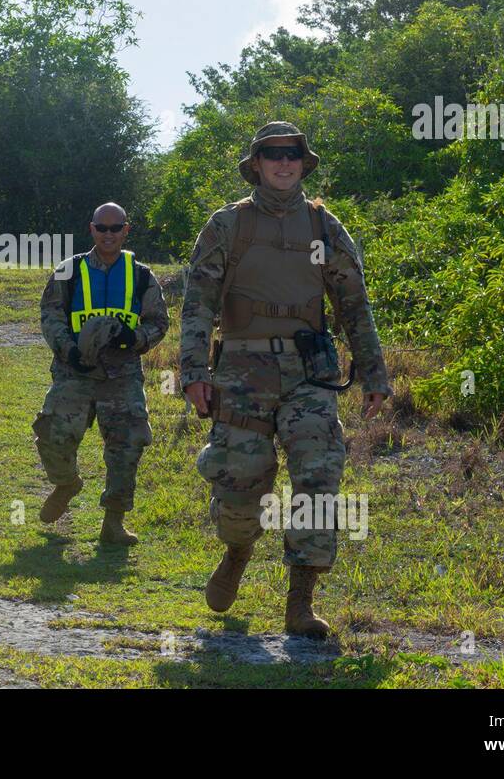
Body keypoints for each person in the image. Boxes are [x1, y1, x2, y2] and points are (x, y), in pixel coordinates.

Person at [180, 122, 390, 635]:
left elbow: (353, 302)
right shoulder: (227, 226)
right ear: (256, 164)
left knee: (318, 475)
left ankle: (300, 603)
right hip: (241, 372)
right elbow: (198, 303)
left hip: (308, 373)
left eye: (292, 154)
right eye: (272, 155)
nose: (283, 162)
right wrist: (192, 371)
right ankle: (237, 550)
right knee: (238, 482)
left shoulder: (323, 228)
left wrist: (374, 372)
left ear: (303, 161)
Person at [32, 203, 169, 544]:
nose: (109, 234)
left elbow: (159, 322)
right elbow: (50, 315)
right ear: (91, 229)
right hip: (75, 371)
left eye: (116, 227)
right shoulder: (69, 269)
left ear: (126, 230)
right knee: (52, 434)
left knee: (127, 446)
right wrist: (70, 351)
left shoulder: (141, 275)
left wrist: (135, 339)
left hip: (122, 375)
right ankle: (67, 483)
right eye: (102, 227)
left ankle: (114, 523)